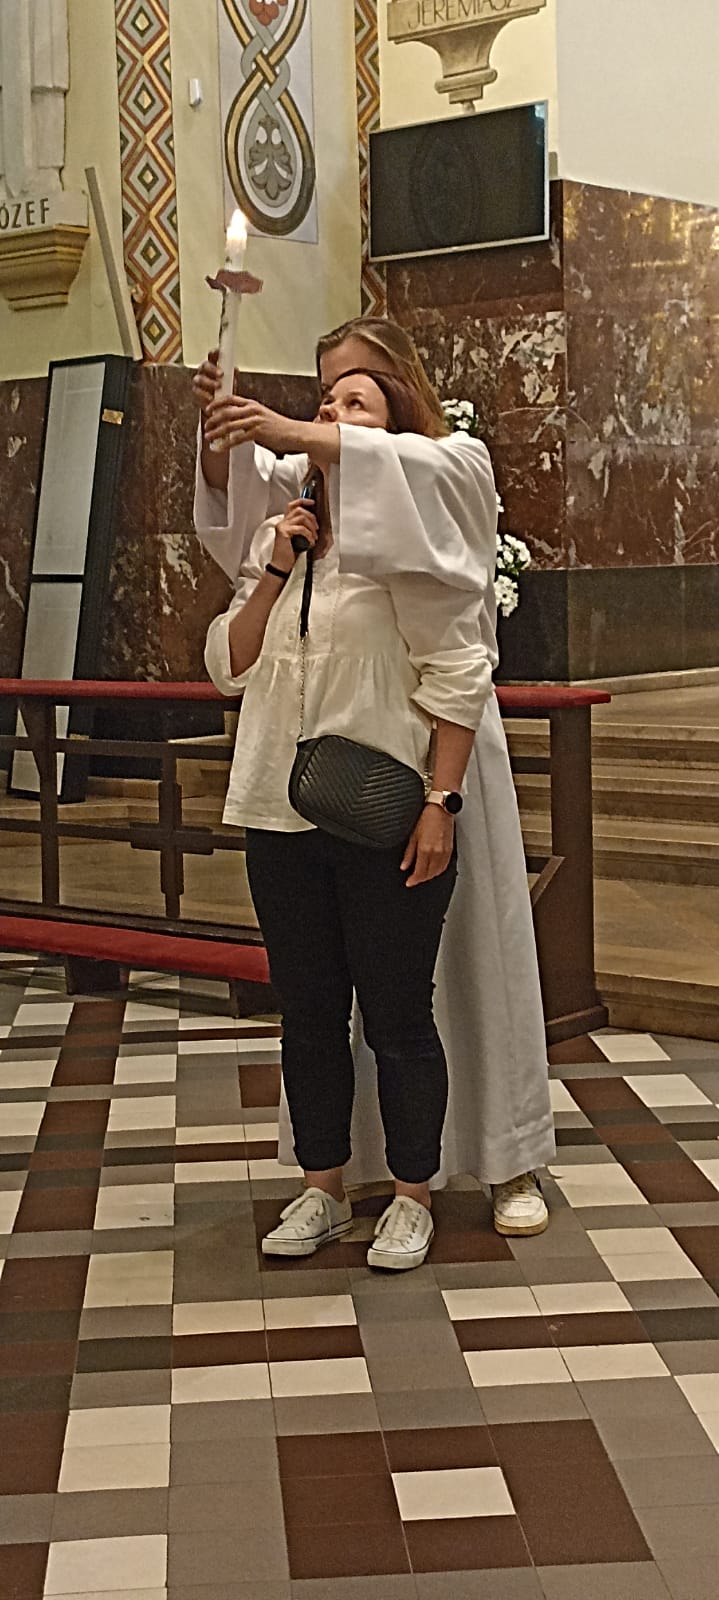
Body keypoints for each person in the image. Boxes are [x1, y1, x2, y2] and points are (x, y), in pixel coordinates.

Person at [193, 317, 556, 1261]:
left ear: (401, 392)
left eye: (356, 390)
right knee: (315, 1007)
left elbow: (453, 650)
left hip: (417, 769)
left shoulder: (447, 466)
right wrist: (224, 432)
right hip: (298, 793)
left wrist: (439, 799)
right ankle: (335, 1178)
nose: (330, 408)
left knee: (437, 986)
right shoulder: (309, 515)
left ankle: (497, 1158)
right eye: (324, 391)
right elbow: (236, 534)